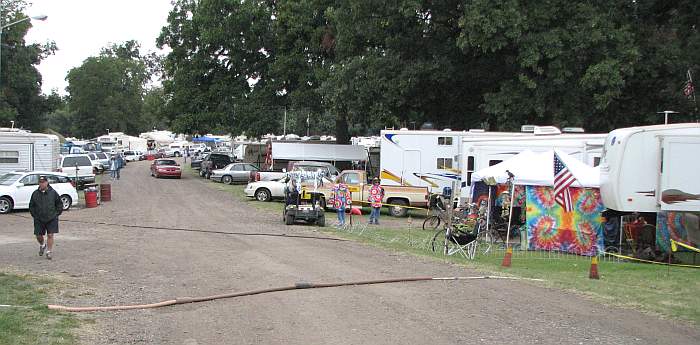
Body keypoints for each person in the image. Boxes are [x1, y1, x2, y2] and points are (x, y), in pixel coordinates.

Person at [29, 175, 63, 260]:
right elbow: (31, 205)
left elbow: (59, 204)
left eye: (43, 182)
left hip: (51, 218)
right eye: (40, 182)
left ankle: (49, 252)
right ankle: (42, 245)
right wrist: (34, 215)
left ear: (47, 183)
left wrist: (57, 213)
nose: (42, 184)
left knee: (50, 234)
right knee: (38, 235)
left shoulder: (53, 192)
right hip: (39, 218)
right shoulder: (35, 193)